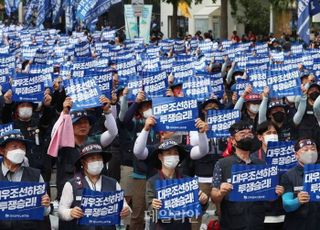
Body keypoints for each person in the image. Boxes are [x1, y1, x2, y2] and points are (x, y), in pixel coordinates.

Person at [210, 121, 284, 230]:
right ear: (232, 140)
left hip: (257, 222)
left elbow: (268, 199)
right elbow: (214, 197)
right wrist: (221, 192)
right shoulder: (222, 164)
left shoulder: (261, 164)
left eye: (249, 134)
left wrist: (276, 193)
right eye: (242, 134)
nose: (247, 137)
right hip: (231, 222)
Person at [56, 96, 118, 199]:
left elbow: (113, 132)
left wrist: (107, 111)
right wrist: (64, 113)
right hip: (70, 197)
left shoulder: (96, 141)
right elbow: (55, 133)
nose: (83, 126)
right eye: (78, 123)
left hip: (96, 196)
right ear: (69, 126)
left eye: (85, 122)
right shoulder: (62, 143)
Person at [58, 142, 130, 230]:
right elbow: (61, 210)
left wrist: (125, 210)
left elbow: (124, 205)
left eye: (99, 158)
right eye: (92, 159)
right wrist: (70, 212)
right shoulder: (71, 184)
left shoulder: (113, 183)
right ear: (83, 163)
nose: (96, 161)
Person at [146, 139, 209, 230]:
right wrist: (153, 206)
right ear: (160, 156)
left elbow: (199, 209)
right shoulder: (152, 181)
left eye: (176, 153)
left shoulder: (187, 180)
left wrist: (203, 201)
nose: (173, 156)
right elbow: (150, 212)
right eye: (168, 153)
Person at [0, 129, 51, 229]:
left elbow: (45, 212)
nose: (19, 150)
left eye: (22, 147)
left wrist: (45, 205)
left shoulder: (35, 175)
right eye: (14, 147)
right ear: (2, 150)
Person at [281, 138, 320, 230]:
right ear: (296, 155)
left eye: (313, 149)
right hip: (297, 225)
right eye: (305, 150)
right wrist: (297, 200)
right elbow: (287, 205)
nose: (310, 152)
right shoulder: (288, 176)